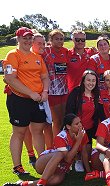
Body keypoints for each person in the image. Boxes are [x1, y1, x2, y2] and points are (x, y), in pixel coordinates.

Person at [2, 114, 89, 186]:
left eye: (80, 122)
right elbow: (67, 159)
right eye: (77, 124)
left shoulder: (82, 133)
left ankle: (21, 184)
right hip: (43, 163)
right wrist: (78, 141)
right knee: (59, 154)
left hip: (60, 166)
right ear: (68, 126)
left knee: (57, 180)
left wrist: (89, 172)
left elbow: (84, 152)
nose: (80, 125)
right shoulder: (62, 137)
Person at [3, 27, 49, 175]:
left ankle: (42, 162)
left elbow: (44, 77)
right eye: (24, 38)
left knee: (38, 131)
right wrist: (30, 93)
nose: (28, 41)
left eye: (30, 38)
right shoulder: (12, 55)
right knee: (19, 132)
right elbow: (10, 79)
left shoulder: (37, 57)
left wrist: (45, 91)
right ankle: (17, 166)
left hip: (37, 100)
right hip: (19, 99)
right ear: (18, 39)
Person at [21, 32, 54, 166]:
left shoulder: (43, 56)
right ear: (31, 44)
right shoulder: (22, 55)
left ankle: (47, 154)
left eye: (44, 43)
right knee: (27, 128)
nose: (42, 46)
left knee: (45, 125)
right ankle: (31, 155)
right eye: (39, 43)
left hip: (43, 96)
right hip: (25, 97)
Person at [66, 70, 105, 171]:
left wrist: (108, 125)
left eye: (93, 80)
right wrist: (75, 128)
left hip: (90, 128)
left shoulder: (96, 94)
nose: (91, 83)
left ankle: (91, 153)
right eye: (88, 80)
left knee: (88, 156)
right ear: (83, 81)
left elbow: (101, 113)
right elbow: (69, 113)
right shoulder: (76, 93)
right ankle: (77, 158)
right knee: (82, 161)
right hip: (77, 129)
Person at [42, 29, 69, 137]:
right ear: (51, 40)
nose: (59, 41)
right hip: (52, 91)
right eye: (56, 39)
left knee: (64, 119)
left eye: (61, 39)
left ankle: (64, 142)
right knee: (56, 120)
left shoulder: (65, 51)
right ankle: (57, 146)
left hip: (64, 90)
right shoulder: (46, 51)